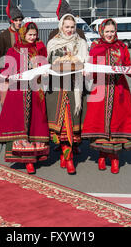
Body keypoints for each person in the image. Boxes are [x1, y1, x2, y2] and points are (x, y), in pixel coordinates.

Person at [82, 18, 131, 174]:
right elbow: (91, 68)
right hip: (100, 89)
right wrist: (87, 73)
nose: (109, 34)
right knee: (100, 122)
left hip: (119, 90)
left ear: (116, 32)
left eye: (112, 31)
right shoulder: (95, 47)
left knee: (117, 123)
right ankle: (101, 155)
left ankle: (115, 158)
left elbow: (127, 68)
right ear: (101, 31)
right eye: (107, 31)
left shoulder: (122, 48)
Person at [0, 22, 49, 174]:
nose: (32, 37)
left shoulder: (40, 48)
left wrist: (45, 72)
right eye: (29, 35)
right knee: (20, 123)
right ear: (23, 34)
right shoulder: (14, 50)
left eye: (34, 35)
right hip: (18, 91)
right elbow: (8, 68)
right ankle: (25, 159)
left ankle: (34, 155)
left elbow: (45, 65)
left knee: (34, 123)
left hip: (35, 90)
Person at [46, 13, 88, 174]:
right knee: (61, 123)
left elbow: (85, 61)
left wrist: (80, 65)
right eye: (67, 27)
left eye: (72, 27)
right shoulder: (53, 42)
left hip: (74, 87)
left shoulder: (81, 42)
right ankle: (67, 156)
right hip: (57, 87)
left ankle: (67, 157)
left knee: (71, 122)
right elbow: (49, 62)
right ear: (61, 27)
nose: (70, 30)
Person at [0, 0, 24, 106]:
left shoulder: (25, 34)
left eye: (20, 20)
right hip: (7, 76)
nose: (19, 22)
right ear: (11, 20)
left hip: (23, 76)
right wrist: (6, 67)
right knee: (6, 106)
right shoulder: (3, 36)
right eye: (16, 20)